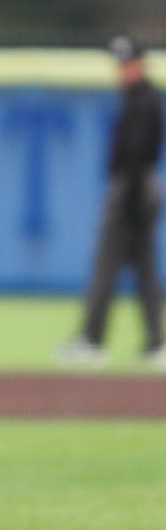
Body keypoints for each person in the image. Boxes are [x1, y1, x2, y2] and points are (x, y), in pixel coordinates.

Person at [60, 35, 165, 367]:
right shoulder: (139, 98)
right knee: (145, 268)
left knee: (106, 265)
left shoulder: (144, 100)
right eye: (119, 64)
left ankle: (92, 340)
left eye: (126, 63)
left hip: (132, 189)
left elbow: (138, 155)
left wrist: (130, 201)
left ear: (139, 64)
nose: (121, 70)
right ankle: (155, 342)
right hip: (141, 188)